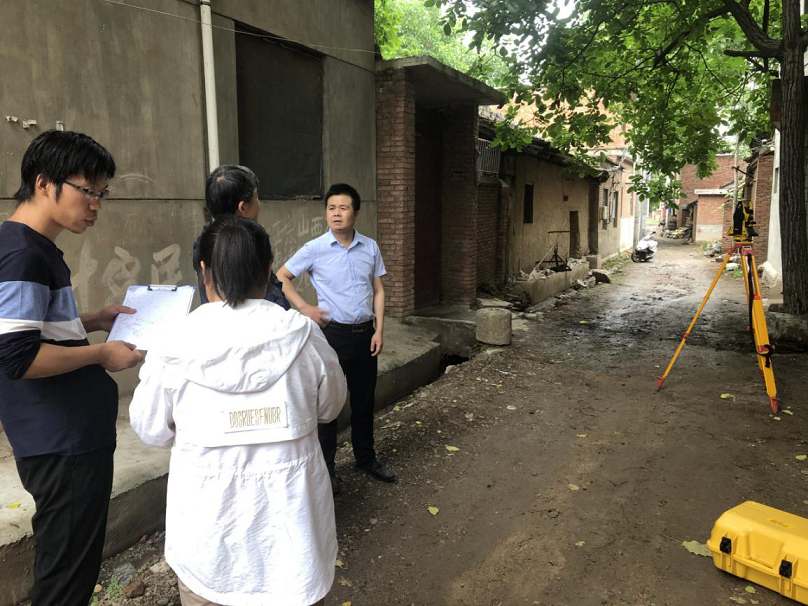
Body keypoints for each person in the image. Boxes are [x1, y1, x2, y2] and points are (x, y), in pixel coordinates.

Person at [130, 217, 346, 606]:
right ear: (269, 269)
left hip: (208, 554)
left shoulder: (173, 343)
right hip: (294, 551)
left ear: (204, 272)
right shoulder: (304, 336)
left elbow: (151, 429)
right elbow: (330, 408)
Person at [0, 130, 143, 606]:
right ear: (44, 183)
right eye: (88, 191)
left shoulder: (28, 246)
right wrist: (101, 354)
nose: (96, 205)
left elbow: (28, 329)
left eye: (102, 193)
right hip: (63, 444)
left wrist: (93, 320)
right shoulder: (23, 254)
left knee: (68, 571)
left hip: (64, 438)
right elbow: (18, 356)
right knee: (66, 582)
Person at [277, 183, 394, 494]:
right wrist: (304, 308)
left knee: (364, 400)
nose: (337, 213)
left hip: (365, 335)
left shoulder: (370, 247)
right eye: (331, 208)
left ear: (356, 212)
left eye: (343, 207)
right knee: (327, 405)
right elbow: (282, 277)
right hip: (332, 336)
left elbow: (379, 290)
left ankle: (365, 458)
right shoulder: (314, 248)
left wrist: (379, 329)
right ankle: (327, 470)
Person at [192, 164, 290, 309]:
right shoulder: (247, 243)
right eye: (256, 197)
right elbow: (268, 297)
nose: (259, 204)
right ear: (243, 207)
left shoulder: (205, 241)